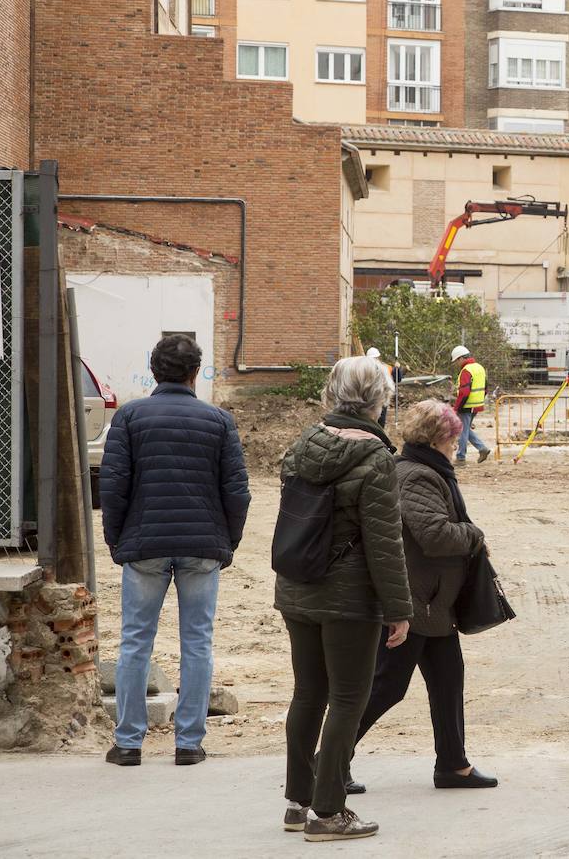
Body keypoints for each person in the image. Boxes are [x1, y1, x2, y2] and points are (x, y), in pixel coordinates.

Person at [275, 356, 413, 842]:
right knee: (349, 698)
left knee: (307, 694)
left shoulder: (302, 445)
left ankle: (298, 803)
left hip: (297, 586)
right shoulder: (376, 458)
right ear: (380, 399)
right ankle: (328, 811)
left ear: (331, 393)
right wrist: (399, 609)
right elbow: (385, 542)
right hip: (349, 598)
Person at [101, 335, 251, 768]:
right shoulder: (218, 421)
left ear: (154, 371)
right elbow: (237, 491)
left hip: (144, 544)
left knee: (135, 642)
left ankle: (128, 743)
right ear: (195, 372)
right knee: (198, 642)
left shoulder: (130, 417)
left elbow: (113, 486)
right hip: (202, 545)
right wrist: (228, 541)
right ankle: (189, 743)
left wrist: (117, 540)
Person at [350, 401, 497, 791]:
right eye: (453, 438)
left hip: (434, 602)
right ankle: (327, 760)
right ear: (437, 439)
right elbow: (434, 535)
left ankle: (453, 764)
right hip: (415, 601)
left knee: (448, 681)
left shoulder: (424, 469)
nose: (456, 444)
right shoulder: (417, 476)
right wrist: (474, 534)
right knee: (386, 687)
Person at [450, 345, 491, 464]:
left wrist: (457, 408)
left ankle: (461, 457)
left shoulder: (466, 370)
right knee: (465, 429)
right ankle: (482, 448)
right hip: (477, 405)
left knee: (462, 430)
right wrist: (479, 400)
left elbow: (464, 392)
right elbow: (486, 388)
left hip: (467, 405)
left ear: (461, 358)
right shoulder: (479, 368)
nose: (456, 364)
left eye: (456, 361)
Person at [366, 347, 396, 427]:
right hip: (369, 396)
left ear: (378, 358)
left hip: (381, 395)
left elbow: (397, 379)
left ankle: (379, 430)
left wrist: (397, 369)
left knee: (381, 419)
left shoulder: (387, 367)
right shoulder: (364, 368)